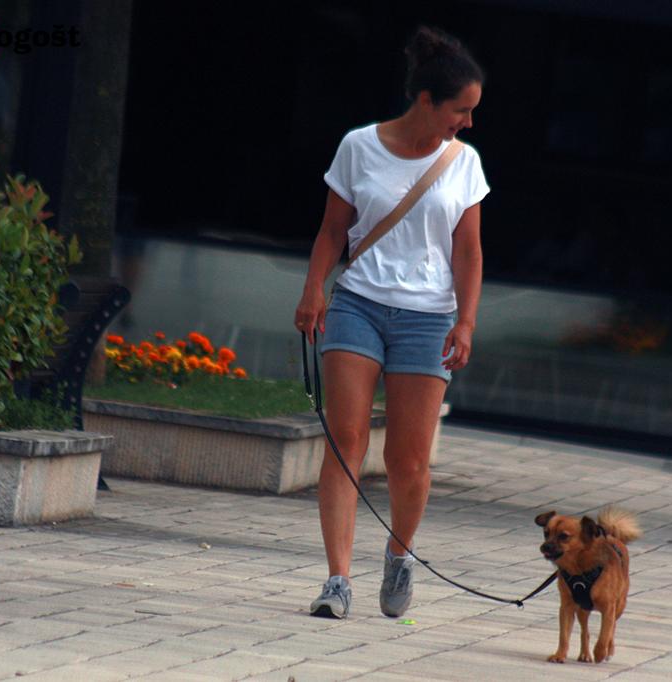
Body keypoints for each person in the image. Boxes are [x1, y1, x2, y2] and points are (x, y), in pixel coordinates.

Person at [293, 26, 488, 619]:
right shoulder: (359, 146)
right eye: (461, 110)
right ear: (426, 100)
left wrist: (465, 322)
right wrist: (314, 289)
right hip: (358, 303)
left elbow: (468, 252)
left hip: (428, 319)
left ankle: (399, 555)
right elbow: (333, 230)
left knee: (409, 461)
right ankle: (336, 580)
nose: (468, 122)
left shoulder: (464, 162)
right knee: (346, 440)